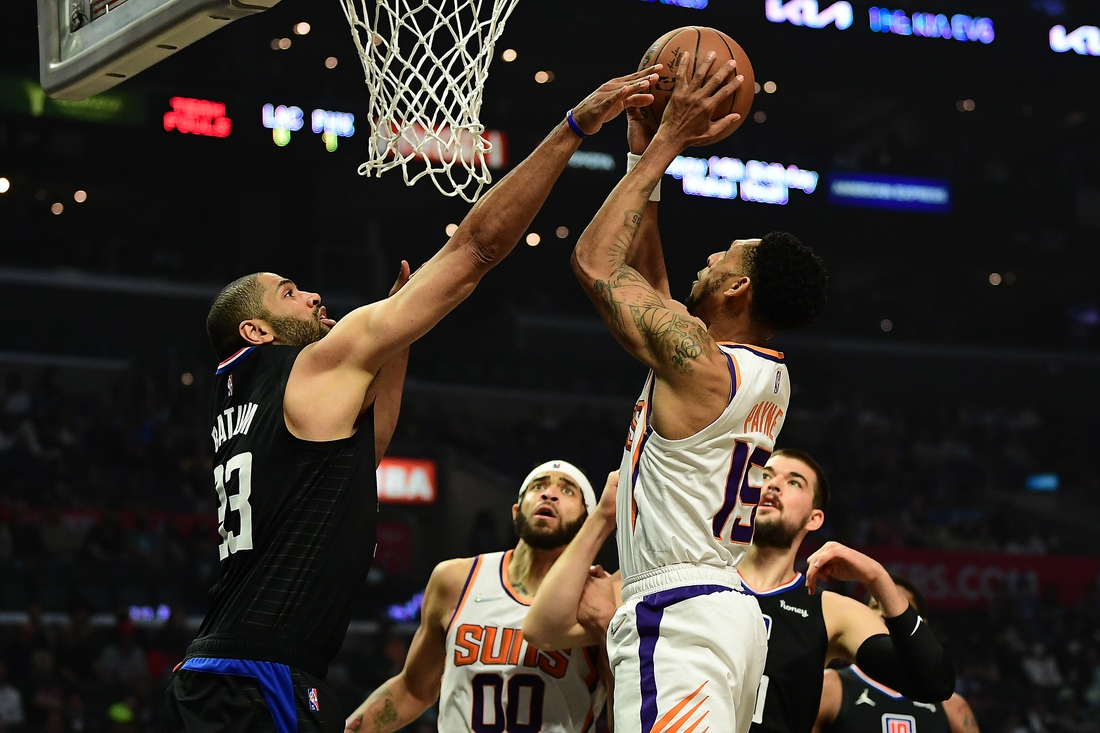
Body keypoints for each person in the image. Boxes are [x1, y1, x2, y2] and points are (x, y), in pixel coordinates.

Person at [163, 64, 663, 733]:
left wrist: (397, 341)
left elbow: (361, 454)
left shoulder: (242, 397)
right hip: (257, 679)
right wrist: (574, 126)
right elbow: (478, 247)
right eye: (288, 292)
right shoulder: (311, 364)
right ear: (256, 328)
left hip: (230, 674)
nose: (312, 295)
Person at [553, 49, 829, 733]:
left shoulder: (702, 363)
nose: (705, 261)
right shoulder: (759, 370)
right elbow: (653, 294)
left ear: (739, 288)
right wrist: (644, 158)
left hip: (674, 609)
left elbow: (595, 261)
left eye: (721, 259)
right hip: (728, 613)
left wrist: (670, 139)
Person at [524, 451, 957, 733]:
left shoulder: (830, 611)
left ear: (814, 518)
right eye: (765, 474)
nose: (771, 484)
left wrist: (878, 577)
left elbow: (932, 680)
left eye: (793, 482)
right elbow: (544, 629)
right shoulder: (681, 571)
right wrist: (603, 516)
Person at [343, 462, 607, 733]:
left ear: (588, 523)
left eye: (567, 490)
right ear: (516, 512)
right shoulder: (455, 580)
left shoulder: (599, 596)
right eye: (538, 486)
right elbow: (413, 690)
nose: (549, 494)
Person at [815, 576, 979, 733]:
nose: (886, 614)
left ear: (922, 626)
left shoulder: (952, 707)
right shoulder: (830, 687)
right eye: (876, 606)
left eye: (898, 608)